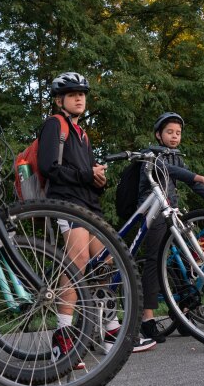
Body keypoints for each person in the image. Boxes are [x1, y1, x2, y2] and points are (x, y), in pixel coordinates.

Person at [38, 72, 155, 362]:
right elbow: (49, 166)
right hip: (66, 204)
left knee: (105, 265)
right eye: (72, 94)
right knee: (76, 266)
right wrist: (85, 175)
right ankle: (63, 337)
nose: (79, 98)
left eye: (82, 94)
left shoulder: (83, 133)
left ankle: (109, 329)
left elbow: (87, 173)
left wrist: (98, 179)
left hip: (88, 206)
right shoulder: (55, 124)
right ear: (59, 100)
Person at [137, 112, 204, 343]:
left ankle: (183, 314)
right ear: (158, 134)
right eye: (169, 132)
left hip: (172, 213)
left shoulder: (176, 156)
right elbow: (174, 173)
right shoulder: (150, 153)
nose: (174, 137)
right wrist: (201, 177)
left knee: (182, 262)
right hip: (152, 213)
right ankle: (147, 319)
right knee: (155, 261)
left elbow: (191, 184)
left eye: (178, 133)